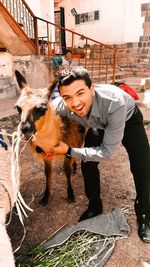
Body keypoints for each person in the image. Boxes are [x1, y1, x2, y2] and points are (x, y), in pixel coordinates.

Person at [34, 66, 150, 243]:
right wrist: (38, 139)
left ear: (92, 88)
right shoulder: (62, 105)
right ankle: (95, 205)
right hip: (99, 124)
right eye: (68, 97)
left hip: (127, 118)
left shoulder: (114, 102)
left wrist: (69, 151)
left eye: (80, 93)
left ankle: (144, 213)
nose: (75, 103)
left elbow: (107, 152)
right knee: (87, 164)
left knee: (143, 166)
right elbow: (41, 115)